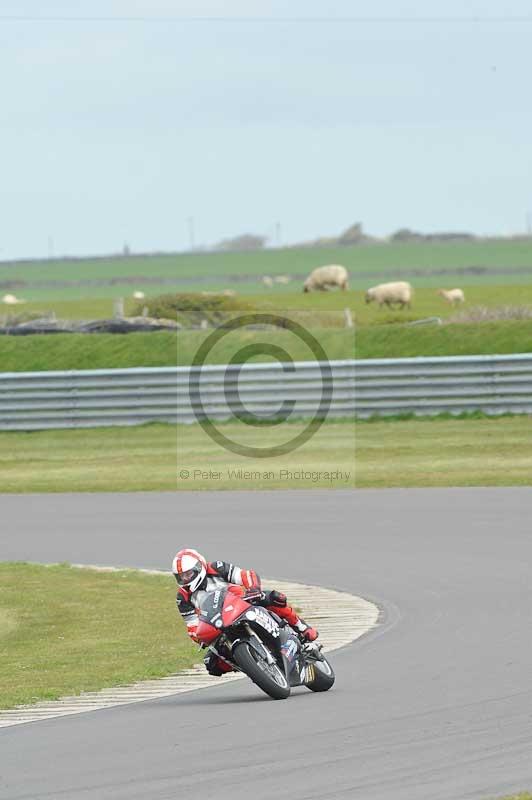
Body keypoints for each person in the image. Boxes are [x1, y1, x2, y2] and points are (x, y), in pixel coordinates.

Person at [172, 548, 318, 676]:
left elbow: (245, 575)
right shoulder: (182, 598)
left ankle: (301, 626)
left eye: (188, 574)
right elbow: (192, 626)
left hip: (241, 603)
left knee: (274, 598)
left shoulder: (216, 568)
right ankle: (253, 666)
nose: (185, 579)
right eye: (181, 577)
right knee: (211, 664)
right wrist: (200, 637)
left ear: (199, 567)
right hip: (218, 623)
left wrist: (253, 589)